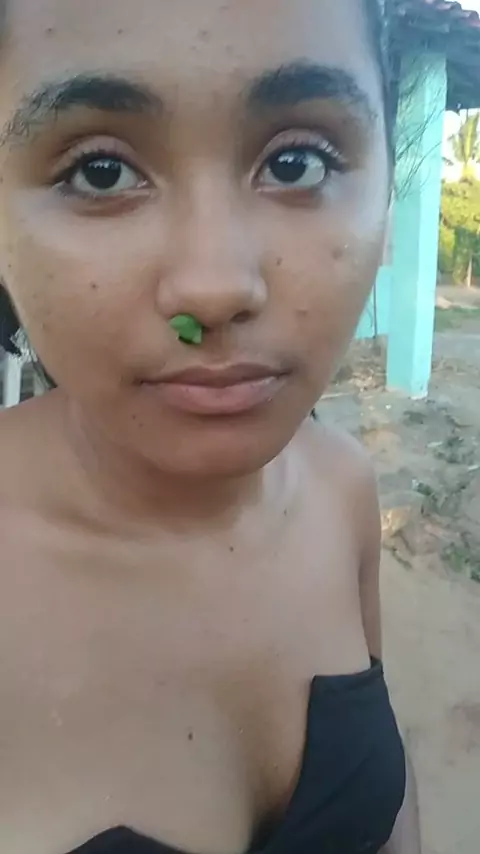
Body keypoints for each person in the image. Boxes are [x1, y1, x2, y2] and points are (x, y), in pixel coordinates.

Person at [0, 0, 421, 851]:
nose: (214, 287)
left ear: (384, 188)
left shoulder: (344, 489)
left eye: (297, 161)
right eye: (100, 173)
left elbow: (392, 802)